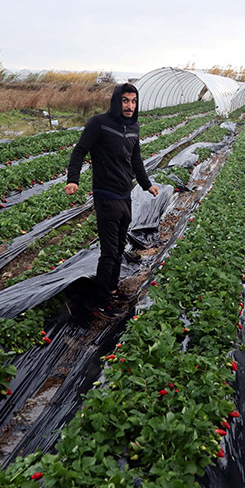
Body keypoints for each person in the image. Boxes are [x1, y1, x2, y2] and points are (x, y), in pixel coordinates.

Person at [65, 82, 158, 314]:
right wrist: (73, 179)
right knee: (109, 251)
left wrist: (146, 184)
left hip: (125, 195)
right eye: (125, 100)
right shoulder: (99, 123)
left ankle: (112, 289)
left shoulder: (134, 127)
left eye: (133, 101)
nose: (130, 106)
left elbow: (135, 159)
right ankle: (100, 299)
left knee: (119, 247)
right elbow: (79, 151)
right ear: (117, 101)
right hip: (106, 195)